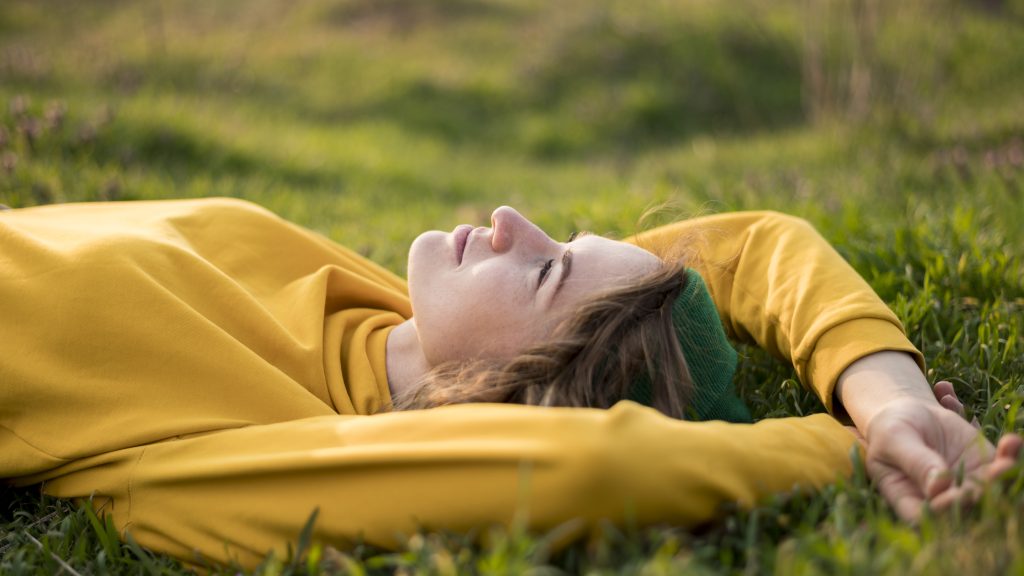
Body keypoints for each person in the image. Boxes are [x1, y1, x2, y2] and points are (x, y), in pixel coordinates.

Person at [0, 198, 1018, 568]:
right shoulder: (368, 309)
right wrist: (885, 395)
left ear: (515, 386)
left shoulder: (256, 444)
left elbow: (581, 465)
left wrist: (833, 447)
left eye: (541, 269)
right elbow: (751, 245)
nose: (506, 220)